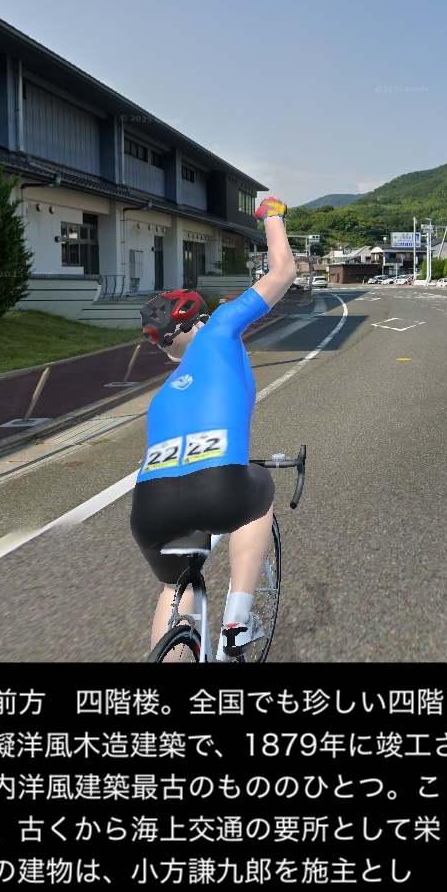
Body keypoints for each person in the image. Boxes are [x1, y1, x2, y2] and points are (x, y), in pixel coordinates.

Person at [130, 196, 297, 658]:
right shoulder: (221, 327)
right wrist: (272, 215)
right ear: (198, 320)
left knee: (175, 588)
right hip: (219, 487)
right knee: (258, 495)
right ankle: (236, 625)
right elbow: (283, 271)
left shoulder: (164, 395)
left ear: (167, 347)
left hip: (149, 508)